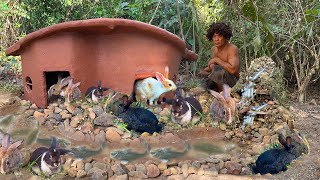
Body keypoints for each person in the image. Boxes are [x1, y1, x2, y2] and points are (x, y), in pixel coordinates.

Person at [199, 22, 240, 92]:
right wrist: (204, 70)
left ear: (225, 36)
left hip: (233, 81)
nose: (216, 39)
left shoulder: (232, 49)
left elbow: (233, 70)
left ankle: (223, 94)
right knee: (203, 75)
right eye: (214, 36)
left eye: (219, 36)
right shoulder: (214, 49)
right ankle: (213, 91)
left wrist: (217, 60)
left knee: (218, 71)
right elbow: (213, 67)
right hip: (220, 79)